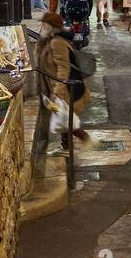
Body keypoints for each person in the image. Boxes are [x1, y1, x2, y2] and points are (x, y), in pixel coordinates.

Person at [36, 11, 91, 153]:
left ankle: (85, 140)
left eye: (44, 25)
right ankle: (67, 146)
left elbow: (63, 67)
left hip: (65, 89)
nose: (41, 27)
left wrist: (57, 92)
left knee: (65, 120)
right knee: (64, 119)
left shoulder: (57, 42)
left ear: (51, 27)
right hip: (59, 87)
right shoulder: (51, 39)